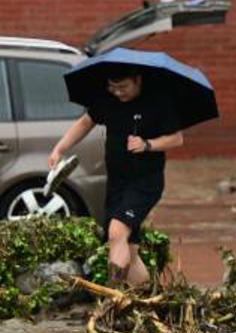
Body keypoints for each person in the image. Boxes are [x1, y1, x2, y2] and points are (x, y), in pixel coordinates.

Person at [49, 66, 183, 285]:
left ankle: (114, 297)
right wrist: (59, 149)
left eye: (123, 87)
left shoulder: (158, 101)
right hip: (117, 183)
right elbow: (85, 123)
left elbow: (177, 139)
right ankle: (148, 298)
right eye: (113, 87)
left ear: (137, 80)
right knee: (128, 247)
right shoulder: (107, 101)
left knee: (116, 232)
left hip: (145, 182)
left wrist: (148, 144)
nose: (118, 92)